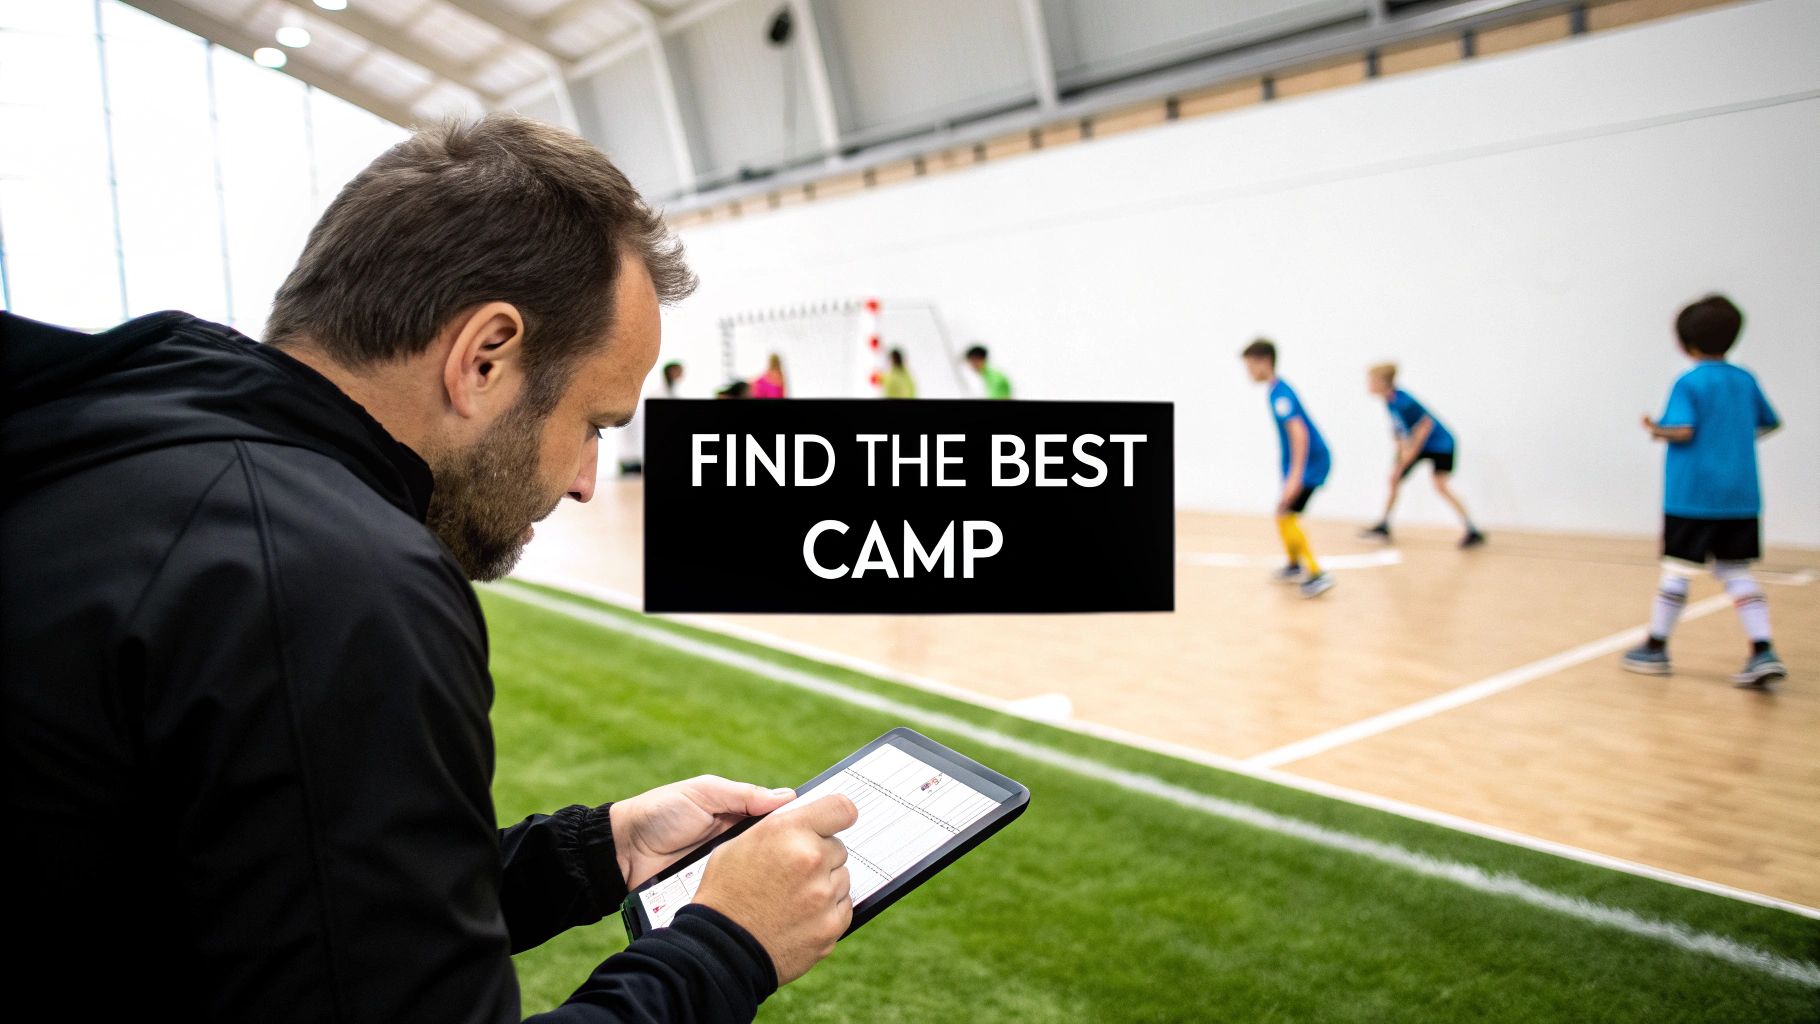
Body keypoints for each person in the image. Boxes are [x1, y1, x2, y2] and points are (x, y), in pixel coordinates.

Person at [0, 114, 858, 1023]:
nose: (583, 482)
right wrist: (726, 945)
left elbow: (264, 907)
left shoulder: (125, 447)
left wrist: (590, 854)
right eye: (595, 424)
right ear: (484, 358)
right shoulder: (334, 584)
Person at [1621, 294, 1787, 688]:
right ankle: (1762, 649)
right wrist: (1732, 442)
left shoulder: (1689, 382)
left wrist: (1654, 429)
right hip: (1740, 497)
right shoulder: (1744, 380)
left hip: (1692, 495)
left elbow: (1683, 430)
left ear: (1686, 343)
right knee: (1735, 570)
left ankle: (1656, 646)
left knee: (1677, 571)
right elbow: (1769, 423)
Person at [1241, 339, 1334, 598]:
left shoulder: (1280, 394)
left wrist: (1295, 477)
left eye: (1250, 366)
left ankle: (1317, 573)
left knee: (1287, 513)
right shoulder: (1275, 390)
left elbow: (1299, 434)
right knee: (1282, 513)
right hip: (1307, 463)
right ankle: (1294, 566)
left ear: (1265, 362)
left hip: (1311, 463)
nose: (1249, 372)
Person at [1359, 363, 1485, 548]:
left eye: (1371, 380)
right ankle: (1384, 525)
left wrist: (1408, 457)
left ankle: (1472, 529)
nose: (1368, 384)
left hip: (1440, 444)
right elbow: (1400, 433)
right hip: (1420, 446)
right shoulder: (1390, 401)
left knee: (1440, 486)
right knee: (1394, 479)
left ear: (1382, 382)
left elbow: (1424, 427)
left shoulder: (1403, 401)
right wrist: (1399, 458)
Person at [616, 361, 683, 475]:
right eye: (679, 372)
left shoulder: (671, 395)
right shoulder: (655, 397)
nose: (681, 375)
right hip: (633, 457)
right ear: (671, 372)